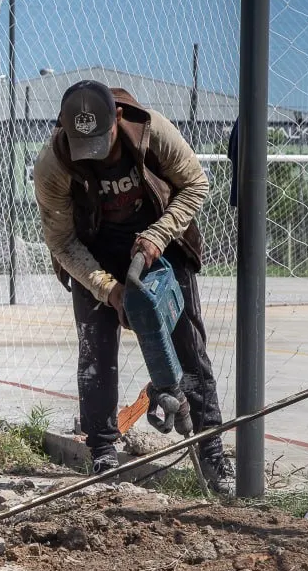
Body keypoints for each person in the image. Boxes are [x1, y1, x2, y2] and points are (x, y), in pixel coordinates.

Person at [33, 80, 234, 492]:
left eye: (101, 141)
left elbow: (196, 183)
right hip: (93, 250)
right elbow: (62, 241)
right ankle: (103, 453)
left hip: (160, 245)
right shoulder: (53, 163)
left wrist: (158, 235)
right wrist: (109, 290)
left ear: (118, 118)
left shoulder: (151, 130)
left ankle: (212, 454)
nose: (93, 153)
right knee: (95, 354)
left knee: (189, 349)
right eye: (82, 145)